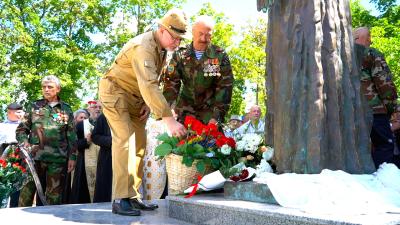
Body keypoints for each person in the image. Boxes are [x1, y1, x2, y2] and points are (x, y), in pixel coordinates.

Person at [98, 8, 188, 216]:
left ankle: (132, 196)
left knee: (139, 143)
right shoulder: (143, 46)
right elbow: (149, 84)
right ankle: (120, 198)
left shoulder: (163, 48)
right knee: (124, 141)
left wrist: (148, 104)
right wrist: (169, 119)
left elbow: (152, 81)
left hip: (136, 98)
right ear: (162, 30)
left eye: (180, 39)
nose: (178, 43)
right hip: (115, 93)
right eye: (175, 37)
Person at [16, 75, 77, 206]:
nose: (46, 89)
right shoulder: (33, 106)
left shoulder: (65, 109)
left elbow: (71, 136)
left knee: (54, 197)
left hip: (57, 158)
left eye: (50, 87)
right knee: (26, 192)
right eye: (44, 87)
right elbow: (21, 130)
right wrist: (25, 143)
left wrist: (72, 157)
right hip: (34, 157)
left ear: (58, 89)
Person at [162, 15, 234, 125]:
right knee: (180, 141)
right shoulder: (180, 54)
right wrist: (169, 110)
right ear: (193, 32)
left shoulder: (219, 56)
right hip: (184, 112)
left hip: (210, 114)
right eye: (200, 34)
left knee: (211, 142)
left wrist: (217, 116)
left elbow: (225, 87)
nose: (203, 39)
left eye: (208, 35)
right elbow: (171, 83)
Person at [354, 27, 398, 169]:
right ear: (362, 39)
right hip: (374, 111)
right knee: (384, 145)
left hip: (350, 112)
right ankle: (380, 183)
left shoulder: (339, 57)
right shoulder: (371, 53)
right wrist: (391, 108)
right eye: (368, 38)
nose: (370, 41)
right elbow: (384, 83)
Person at [0, 103, 25, 207]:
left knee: (17, 187)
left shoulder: (25, 126)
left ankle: (14, 208)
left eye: (20, 112)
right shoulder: (2, 126)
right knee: (3, 186)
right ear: (9, 112)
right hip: (4, 159)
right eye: (17, 112)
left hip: (21, 160)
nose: (19, 114)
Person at [91, 113, 112, 202]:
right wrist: (111, 140)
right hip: (107, 157)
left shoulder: (130, 113)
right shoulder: (104, 117)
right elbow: (95, 136)